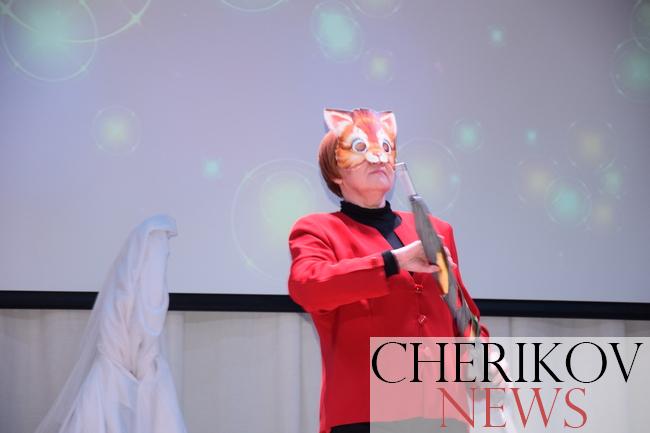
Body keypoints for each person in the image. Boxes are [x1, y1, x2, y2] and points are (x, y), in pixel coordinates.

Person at [288, 108, 492, 433]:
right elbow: (308, 287)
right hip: (365, 413)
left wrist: (480, 357)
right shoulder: (317, 230)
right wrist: (393, 262)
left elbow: (460, 312)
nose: (378, 156)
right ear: (335, 172)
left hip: (442, 413)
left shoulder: (436, 229)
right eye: (360, 148)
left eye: (386, 147)